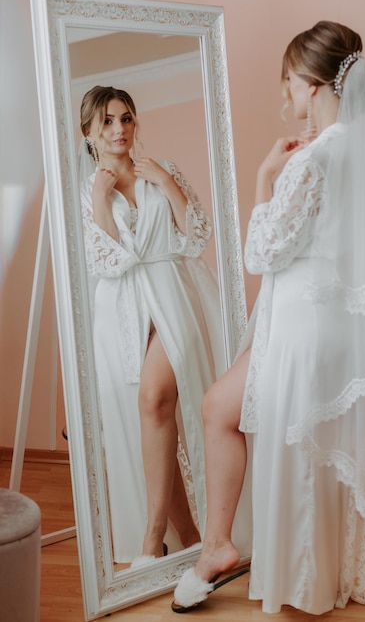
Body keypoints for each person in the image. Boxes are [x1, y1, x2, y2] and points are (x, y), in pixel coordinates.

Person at [172, 21, 365, 615]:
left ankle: (261, 566)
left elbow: (262, 253)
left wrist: (263, 178)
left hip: (303, 328)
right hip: (330, 326)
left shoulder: (315, 159)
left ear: (310, 84)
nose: (286, 96)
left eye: (288, 83)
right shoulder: (358, 146)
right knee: (271, 430)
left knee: (284, 442)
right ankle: (230, 548)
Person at [78, 85, 227, 564]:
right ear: (89, 133)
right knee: (156, 420)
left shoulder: (161, 171)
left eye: (126, 118)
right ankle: (191, 538)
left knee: (154, 398)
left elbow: (197, 236)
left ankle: (151, 538)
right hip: (122, 309)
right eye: (107, 122)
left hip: (171, 293)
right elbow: (107, 262)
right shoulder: (85, 192)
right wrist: (101, 199)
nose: (119, 129)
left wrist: (166, 182)